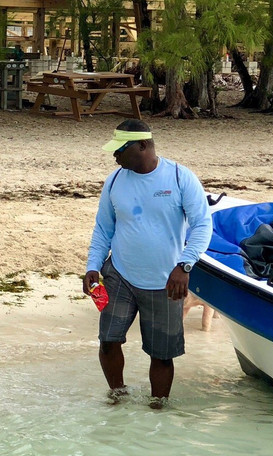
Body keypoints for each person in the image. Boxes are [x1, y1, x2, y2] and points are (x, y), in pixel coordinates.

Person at [83, 120, 213, 409]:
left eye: (120, 150)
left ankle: (158, 408)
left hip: (166, 281)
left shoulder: (180, 177)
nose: (114, 156)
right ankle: (117, 396)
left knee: (162, 354)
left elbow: (203, 225)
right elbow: (103, 228)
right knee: (108, 340)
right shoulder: (115, 180)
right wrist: (93, 266)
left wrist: (185, 265)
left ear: (142, 146)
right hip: (119, 274)